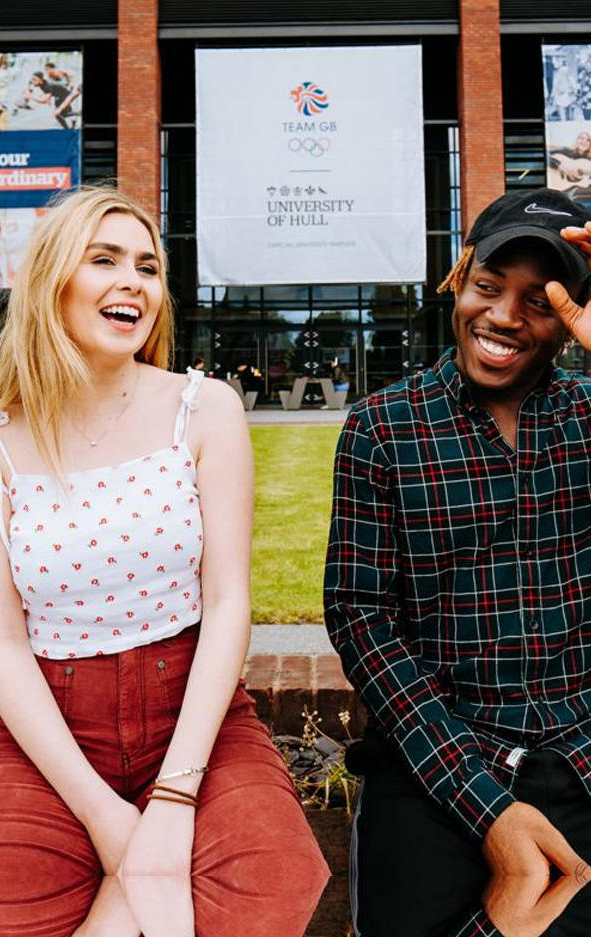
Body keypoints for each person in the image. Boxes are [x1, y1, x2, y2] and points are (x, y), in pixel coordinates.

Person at [0, 186, 329, 937]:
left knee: (278, 873)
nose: (133, 283)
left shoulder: (204, 408)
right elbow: (1, 642)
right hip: (46, 718)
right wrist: (113, 827)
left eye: (147, 267)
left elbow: (229, 603)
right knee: (8, 885)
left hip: (189, 707)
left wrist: (172, 801)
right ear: (52, 281)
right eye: (104, 259)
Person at [324, 187, 591, 937]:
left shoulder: (588, 415)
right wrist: (488, 805)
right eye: (488, 287)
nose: (504, 317)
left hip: (580, 754)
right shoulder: (383, 427)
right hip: (438, 765)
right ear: (458, 275)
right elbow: (361, 619)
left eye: (541, 300)